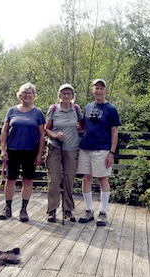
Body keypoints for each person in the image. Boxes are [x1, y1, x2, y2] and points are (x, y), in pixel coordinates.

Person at [0, 82, 46, 222]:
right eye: (24, 93)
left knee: (27, 180)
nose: (27, 95)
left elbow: (42, 134)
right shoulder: (12, 110)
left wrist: (39, 154)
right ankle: (7, 208)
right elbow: (4, 130)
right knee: (11, 179)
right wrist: (3, 149)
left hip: (30, 150)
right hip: (13, 149)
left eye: (30, 93)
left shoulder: (37, 113)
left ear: (33, 96)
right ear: (20, 95)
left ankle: (24, 209)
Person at [77, 79, 121, 226]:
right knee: (86, 178)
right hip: (86, 147)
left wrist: (111, 152)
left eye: (102, 88)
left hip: (102, 149)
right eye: (96, 88)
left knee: (102, 179)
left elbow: (114, 132)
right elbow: (82, 125)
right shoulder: (88, 107)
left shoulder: (111, 109)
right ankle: (89, 210)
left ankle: (103, 212)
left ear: (105, 90)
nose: (99, 91)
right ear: (92, 90)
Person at [44, 84, 82, 223]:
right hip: (55, 147)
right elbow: (45, 128)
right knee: (53, 180)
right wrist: (54, 135)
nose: (66, 96)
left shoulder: (76, 109)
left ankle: (68, 210)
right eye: (64, 93)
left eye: (69, 93)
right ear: (59, 95)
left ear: (72, 96)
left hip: (71, 148)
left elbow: (82, 125)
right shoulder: (53, 109)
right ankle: (52, 211)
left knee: (69, 180)